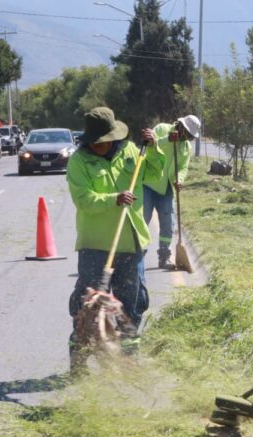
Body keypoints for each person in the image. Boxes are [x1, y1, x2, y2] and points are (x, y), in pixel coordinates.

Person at [66, 107, 165, 372]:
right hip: (95, 247)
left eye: (107, 139)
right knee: (88, 308)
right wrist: (114, 199)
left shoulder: (131, 151)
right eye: (98, 141)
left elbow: (155, 175)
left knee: (132, 308)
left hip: (131, 245)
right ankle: (79, 362)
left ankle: (130, 362)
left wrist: (154, 149)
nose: (103, 145)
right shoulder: (78, 162)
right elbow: (84, 200)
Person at [143, 115, 201, 268]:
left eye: (190, 136)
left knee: (168, 224)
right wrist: (167, 140)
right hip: (148, 184)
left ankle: (164, 256)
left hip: (166, 188)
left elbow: (183, 168)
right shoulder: (162, 129)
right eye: (187, 134)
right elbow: (148, 148)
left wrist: (179, 179)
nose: (187, 138)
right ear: (180, 126)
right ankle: (137, 254)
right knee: (142, 220)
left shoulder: (185, 147)